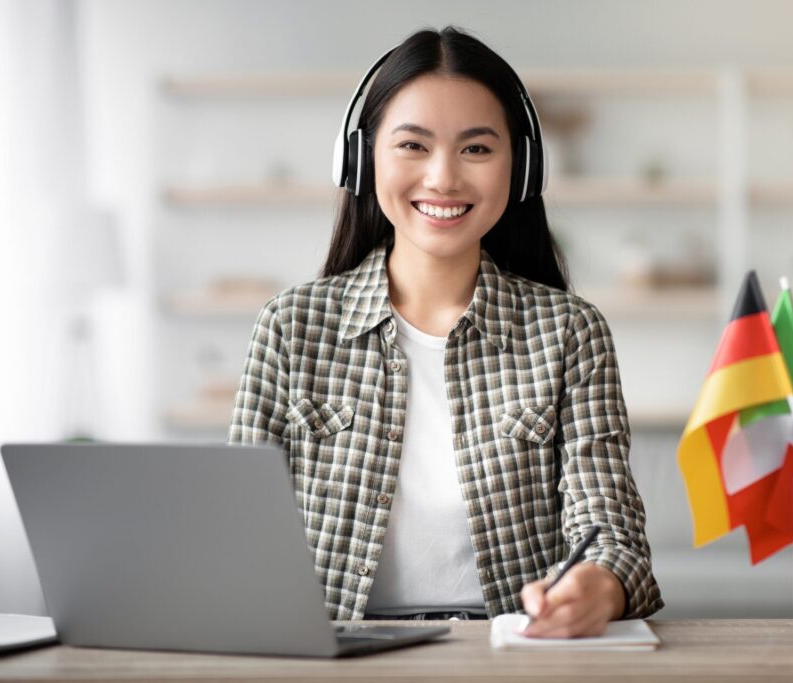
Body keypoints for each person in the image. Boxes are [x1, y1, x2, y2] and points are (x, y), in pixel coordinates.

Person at [229, 25, 662, 638]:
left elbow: (614, 537)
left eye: (477, 149)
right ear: (361, 159)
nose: (443, 178)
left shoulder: (570, 333)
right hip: (333, 658)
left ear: (522, 168)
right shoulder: (290, 327)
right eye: (413, 145)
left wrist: (601, 585)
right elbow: (238, 539)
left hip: (512, 653)